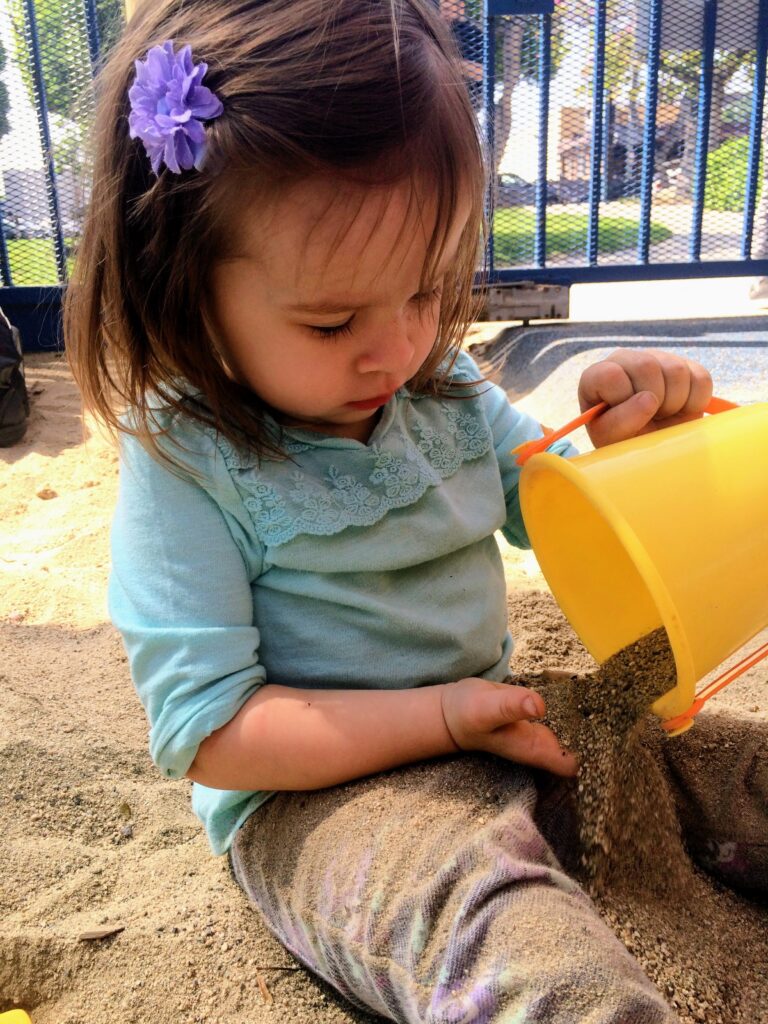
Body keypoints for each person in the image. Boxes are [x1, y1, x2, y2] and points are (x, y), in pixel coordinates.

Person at [64, 2, 766, 1021]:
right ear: (187, 283)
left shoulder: (439, 394)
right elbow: (212, 731)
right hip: (330, 804)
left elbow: (553, 503)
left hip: (506, 726)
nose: (394, 349)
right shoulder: (187, 462)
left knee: (721, 764)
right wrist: (438, 716)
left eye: (426, 291)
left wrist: (632, 442)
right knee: (521, 953)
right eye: (334, 319)